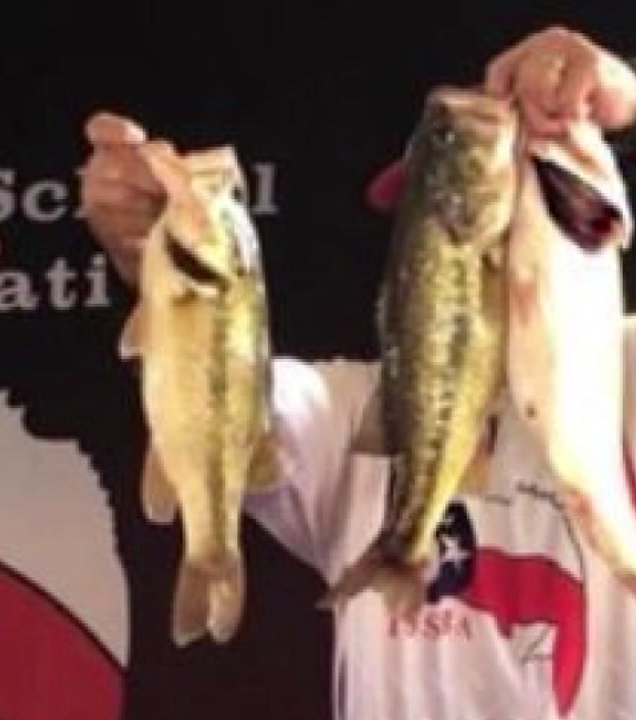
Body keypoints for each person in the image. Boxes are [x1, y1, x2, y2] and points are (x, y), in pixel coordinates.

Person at [80, 25, 636, 720]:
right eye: (423, 225)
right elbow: (222, 384)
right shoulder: (351, 412)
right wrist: (158, 255)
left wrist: (624, 93)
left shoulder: (621, 377)